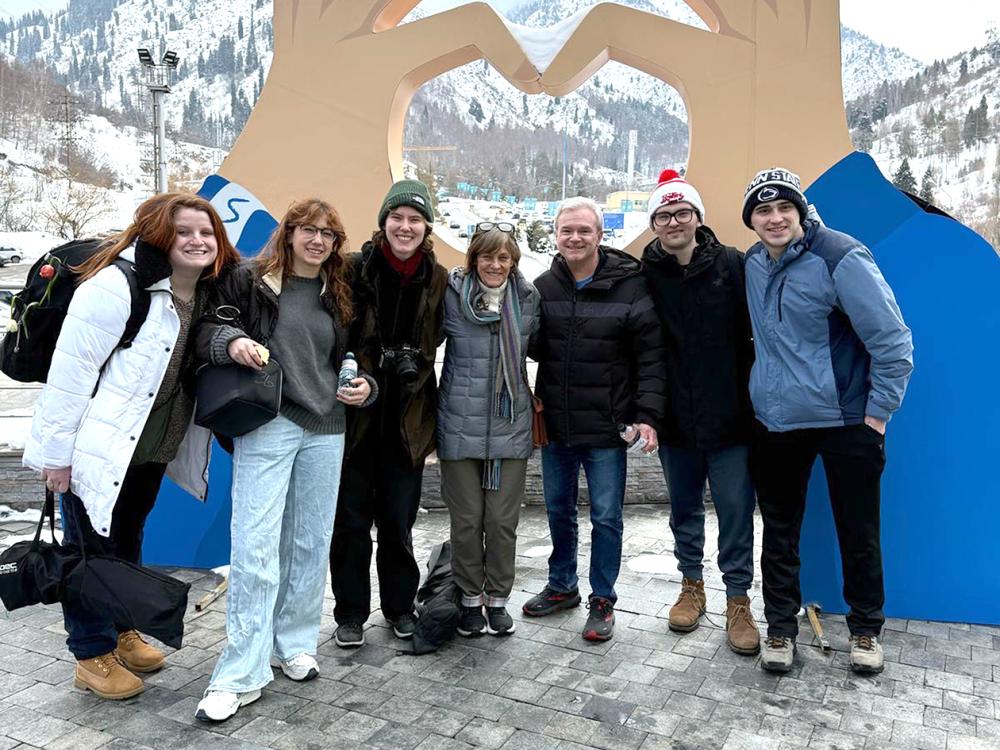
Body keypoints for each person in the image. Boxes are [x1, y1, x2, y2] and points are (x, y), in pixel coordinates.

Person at [22, 193, 240, 700]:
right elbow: (69, 376)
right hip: (97, 449)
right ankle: (91, 653)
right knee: (90, 553)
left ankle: (121, 631)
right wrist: (57, 457)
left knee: (126, 544)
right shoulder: (117, 287)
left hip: (149, 449)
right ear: (156, 235)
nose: (197, 241)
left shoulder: (201, 292)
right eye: (184, 231)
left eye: (206, 232)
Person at [194, 198, 375, 722]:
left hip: (328, 428)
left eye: (329, 234)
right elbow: (208, 328)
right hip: (269, 422)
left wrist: (368, 385)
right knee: (254, 545)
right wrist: (232, 342)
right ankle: (238, 674)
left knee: (310, 542)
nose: (318, 240)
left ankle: (293, 644)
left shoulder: (339, 293)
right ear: (289, 233)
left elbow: (359, 355)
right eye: (308, 230)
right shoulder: (250, 279)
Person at [741, 167, 913, 674]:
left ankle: (865, 630)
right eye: (763, 210)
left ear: (800, 211)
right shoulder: (753, 263)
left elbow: (893, 342)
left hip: (845, 421)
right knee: (779, 529)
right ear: (751, 220)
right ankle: (780, 628)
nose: (774, 219)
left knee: (857, 530)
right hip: (777, 424)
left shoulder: (840, 256)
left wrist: (878, 415)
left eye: (783, 208)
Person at [524, 196, 666, 641]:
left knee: (606, 516)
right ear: (556, 235)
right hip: (559, 426)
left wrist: (647, 415)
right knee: (557, 510)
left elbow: (651, 357)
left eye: (584, 230)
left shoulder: (631, 286)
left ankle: (602, 597)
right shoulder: (543, 286)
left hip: (608, 428)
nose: (575, 238)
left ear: (601, 236)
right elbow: (528, 347)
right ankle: (562, 585)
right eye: (567, 230)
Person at [640, 170, 759, 655]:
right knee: (684, 510)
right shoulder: (643, 273)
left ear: (697, 218)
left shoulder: (732, 265)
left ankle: (738, 598)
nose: (674, 221)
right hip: (675, 420)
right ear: (654, 223)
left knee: (735, 511)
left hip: (732, 418)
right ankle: (692, 584)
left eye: (682, 212)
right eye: (664, 215)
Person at [329, 180, 447, 648]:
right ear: (383, 223)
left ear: (426, 227)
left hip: (409, 418)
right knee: (351, 522)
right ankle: (350, 613)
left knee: (399, 523)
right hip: (356, 417)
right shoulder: (354, 270)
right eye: (396, 217)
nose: (405, 226)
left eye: (415, 219)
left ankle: (399, 607)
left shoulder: (438, 278)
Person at [437, 223, 540, 637]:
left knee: (500, 521)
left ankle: (497, 598)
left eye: (503, 257)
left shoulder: (529, 298)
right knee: (466, 521)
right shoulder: (450, 294)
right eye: (486, 256)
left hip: (509, 425)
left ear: (513, 260)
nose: (494, 265)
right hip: (459, 424)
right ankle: (468, 599)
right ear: (473, 259)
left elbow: (548, 350)